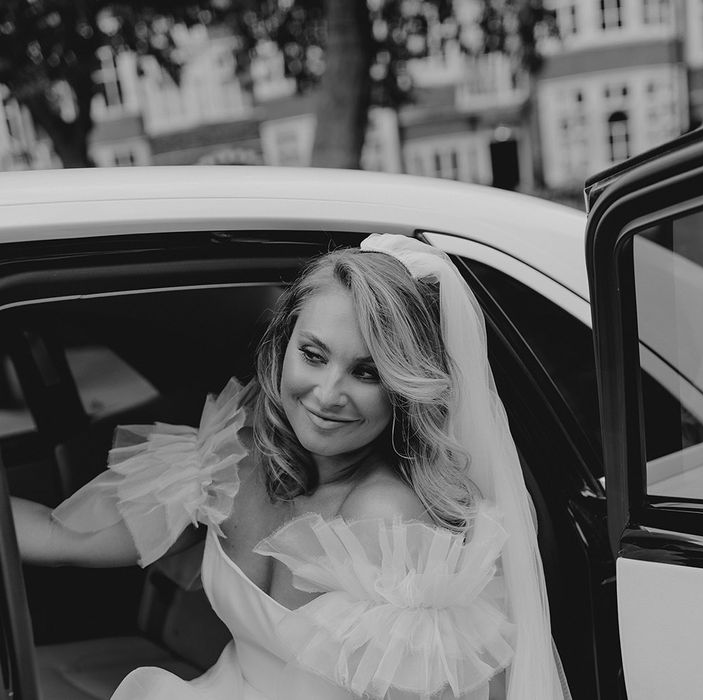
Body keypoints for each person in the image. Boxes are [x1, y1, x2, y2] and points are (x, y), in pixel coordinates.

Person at [12, 234, 570, 700]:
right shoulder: (231, 459)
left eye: (368, 373)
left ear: (402, 388)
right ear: (282, 346)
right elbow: (60, 535)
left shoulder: (388, 522)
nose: (328, 394)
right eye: (314, 355)